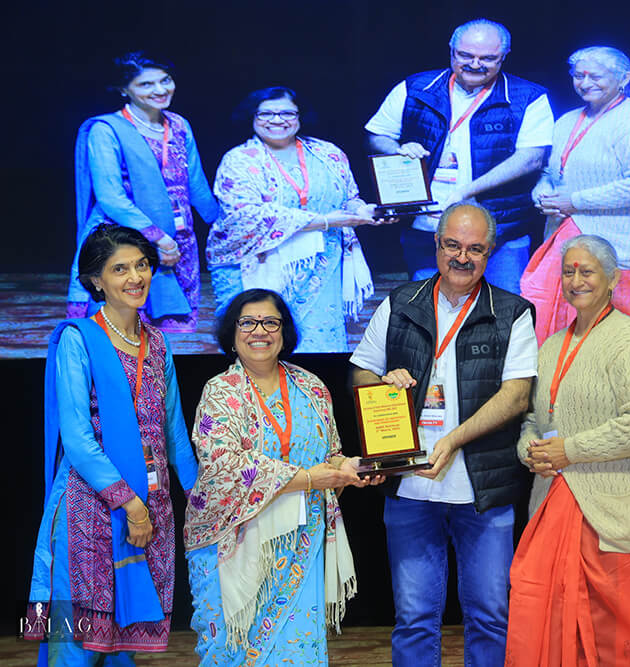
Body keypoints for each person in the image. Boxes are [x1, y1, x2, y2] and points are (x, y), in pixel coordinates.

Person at [350, 202, 538, 665]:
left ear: (490, 252)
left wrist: (452, 441)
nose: (462, 257)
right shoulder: (400, 303)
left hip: (483, 491)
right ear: (436, 244)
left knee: (490, 616)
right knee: (414, 618)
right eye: (452, 245)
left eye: (475, 249)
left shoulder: (513, 312)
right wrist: (383, 383)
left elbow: (516, 397)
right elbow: (360, 373)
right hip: (410, 488)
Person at [25, 223, 199, 664]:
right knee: (77, 646)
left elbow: (173, 433)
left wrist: (203, 499)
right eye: (120, 269)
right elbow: (78, 440)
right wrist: (130, 505)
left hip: (152, 506)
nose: (135, 277)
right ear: (95, 280)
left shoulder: (158, 343)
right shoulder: (77, 339)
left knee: (122, 646)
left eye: (142, 265)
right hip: (89, 509)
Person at [184, 289, 382, 665]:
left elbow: (331, 454)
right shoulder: (220, 392)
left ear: (284, 331)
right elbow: (223, 467)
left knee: (296, 649)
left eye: (270, 322)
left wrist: (348, 469)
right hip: (233, 543)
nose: (259, 331)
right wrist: (307, 479)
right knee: (230, 651)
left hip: (302, 541)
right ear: (232, 333)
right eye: (248, 322)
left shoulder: (311, 386)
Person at [506, 234, 630, 665]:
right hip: (554, 503)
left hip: (616, 515)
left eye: (587, 271)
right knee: (538, 613)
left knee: (617, 641)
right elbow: (533, 419)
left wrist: (570, 450)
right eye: (568, 271)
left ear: (612, 279)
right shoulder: (551, 346)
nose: (576, 280)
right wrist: (530, 450)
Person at [365, 18, 554, 294]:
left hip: (501, 228)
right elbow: (376, 135)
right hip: (428, 226)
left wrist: (467, 191)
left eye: (487, 58)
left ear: (504, 57)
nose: (475, 64)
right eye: (466, 55)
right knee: (431, 306)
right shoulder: (416, 87)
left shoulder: (528, 96)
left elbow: (531, 158)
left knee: (503, 307)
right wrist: (398, 150)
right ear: (452, 50)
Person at [207, 86, 389, 352]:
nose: (277, 120)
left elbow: (348, 197)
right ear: (252, 117)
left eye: (287, 113)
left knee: (319, 345)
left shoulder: (328, 153)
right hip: (258, 264)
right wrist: (326, 221)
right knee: (259, 346)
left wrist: (362, 211)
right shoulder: (239, 160)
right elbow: (246, 216)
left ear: (300, 116)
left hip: (323, 265)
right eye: (266, 113)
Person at [529, 46, 630, 344]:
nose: (585, 83)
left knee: (622, 343)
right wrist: (542, 193)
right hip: (572, 237)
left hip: (627, 246)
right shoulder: (567, 121)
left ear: (625, 78)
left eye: (595, 76)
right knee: (555, 328)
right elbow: (552, 172)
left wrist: (575, 201)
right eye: (578, 75)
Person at [68, 52, 219, 332]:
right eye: (146, 84)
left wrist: (223, 223)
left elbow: (196, 185)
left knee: (169, 335)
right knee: (120, 330)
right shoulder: (106, 130)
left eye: (166, 80)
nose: (160, 90)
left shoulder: (179, 125)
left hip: (178, 235)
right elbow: (111, 197)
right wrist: (158, 239)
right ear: (124, 89)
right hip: (122, 237)